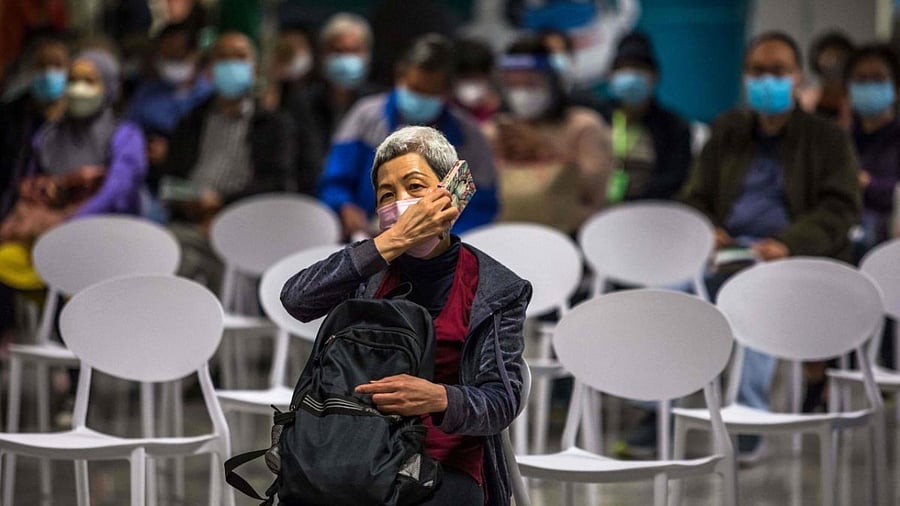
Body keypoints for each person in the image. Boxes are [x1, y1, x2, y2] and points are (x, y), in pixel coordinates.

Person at [281, 125, 530, 506]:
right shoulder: (371, 269)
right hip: (358, 452)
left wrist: (438, 397)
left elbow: (501, 401)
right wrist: (390, 243)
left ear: (450, 194)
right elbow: (297, 299)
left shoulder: (497, 289)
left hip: (445, 461)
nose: (400, 202)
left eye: (415, 187)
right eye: (386, 195)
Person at [679, 31, 860, 456]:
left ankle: (749, 417)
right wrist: (706, 228)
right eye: (758, 71)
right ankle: (655, 405)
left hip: (790, 255)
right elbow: (694, 196)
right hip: (724, 250)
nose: (767, 80)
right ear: (745, 77)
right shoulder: (728, 131)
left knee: (754, 296)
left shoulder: (826, 138)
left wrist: (789, 242)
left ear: (798, 77)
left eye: (778, 71)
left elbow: (840, 208)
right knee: (668, 290)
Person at [0, 47, 147, 336]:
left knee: (75, 276)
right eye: (73, 80)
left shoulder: (125, 135)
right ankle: (52, 333)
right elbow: (32, 186)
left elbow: (116, 192)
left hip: (108, 240)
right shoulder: (50, 135)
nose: (78, 89)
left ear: (109, 87)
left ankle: (82, 351)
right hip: (49, 240)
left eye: (89, 81)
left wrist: (67, 223)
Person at [318, 33, 499, 239]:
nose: (420, 98)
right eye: (415, 89)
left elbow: (479, 206)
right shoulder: (366, 118)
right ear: (400, 75)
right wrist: (344, 206)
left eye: (431, 93)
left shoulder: (467, 140)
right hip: (367, 239)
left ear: (448, 91)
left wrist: (439, 240)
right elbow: (335, 181)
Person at [157, 31, 297, 289]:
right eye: (223, 58)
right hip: (189, 222)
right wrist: (188, 203)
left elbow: (278, 183)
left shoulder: (273, 124)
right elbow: (168, 179)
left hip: (243, 225)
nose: (231, 65)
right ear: (210, 69)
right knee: (165, 251)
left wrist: (222, 203)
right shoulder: (191, 121)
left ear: (254, 69)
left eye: (239, 57)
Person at [486, 36, 610, 234]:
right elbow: (460, 194)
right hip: (502, 238)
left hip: (567, 239)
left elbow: (594, 195)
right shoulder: (492, 133)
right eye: (513, 86)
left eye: (531, 84)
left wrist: (544, 151)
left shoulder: (583, 127)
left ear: (552, 82)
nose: (522, 94)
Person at [845, 43, 900, 373]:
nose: (868, 86)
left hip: (887, 237)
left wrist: (869, 186)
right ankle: (830, 372)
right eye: (860, 79)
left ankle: (889, 362)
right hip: (848, 235)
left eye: (877, 78)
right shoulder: (839, 139)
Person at [601, 31, 692, 202]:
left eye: (638, 68)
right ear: (611, 76)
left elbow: (673, 180)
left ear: (654, 76)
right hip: (597, 213)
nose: (630, 75)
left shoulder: (673, 127)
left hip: (649, 213)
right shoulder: (596, 118)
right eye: (622, 67)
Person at [127, 22, 214, 182]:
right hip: (147, 174)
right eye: (165, 55)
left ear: (195, 54)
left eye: (177, 55)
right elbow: (129, 129)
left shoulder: (209, 97)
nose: (170, 61)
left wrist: (173, 152)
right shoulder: (147, 92)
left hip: (193, 177)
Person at [294, 13, 380, 164]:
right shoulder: (302, 104)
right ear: (323, 55)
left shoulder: (378, 105)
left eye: (354, 51)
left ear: (367, 55)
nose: (346, 59)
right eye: (338, 51)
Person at [0, 35, 70, 216]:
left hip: (57, 210)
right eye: (42, 66)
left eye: (56, 66)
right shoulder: (12, 113)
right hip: (11, 207)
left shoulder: (75, 117)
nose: (48, 73)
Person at [798, 30, 854, 129]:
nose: (834, 62)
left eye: (840, 57)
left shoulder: (856, 100)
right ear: (817, 60)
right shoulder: (805, 100)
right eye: (829, 56)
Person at [452, 38, 501, 125]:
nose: (472, 84)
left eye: (476, 78)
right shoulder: (443, 113)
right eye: (465, 78)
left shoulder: (500, 112)